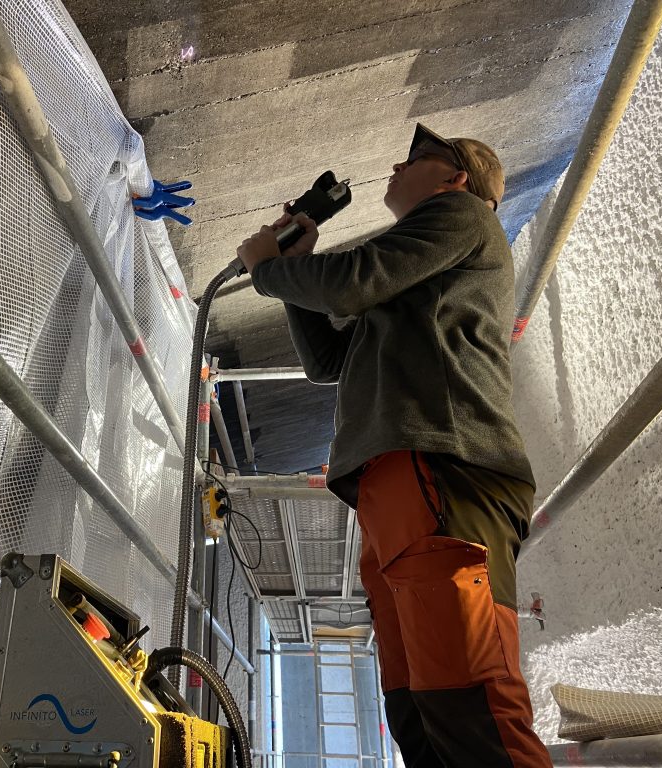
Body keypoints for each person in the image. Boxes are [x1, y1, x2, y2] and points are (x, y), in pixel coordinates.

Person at [236, 124, 552, 768]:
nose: (396, 166)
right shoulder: (415, 290)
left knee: (470, 701)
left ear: (455, 177)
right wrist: (291, 269)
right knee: (418, 706)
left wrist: (269, 271)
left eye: (416, 159)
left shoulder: (463, 216)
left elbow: (351, 283)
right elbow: (327, 359)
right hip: (400, 478)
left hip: (446, 464)